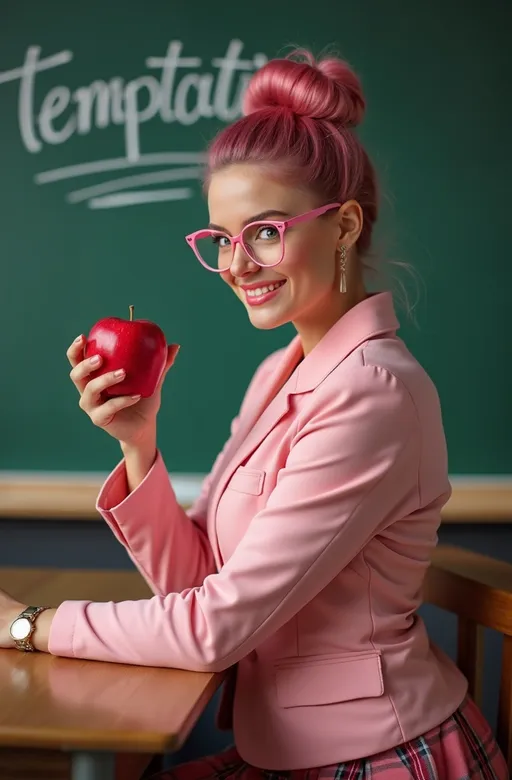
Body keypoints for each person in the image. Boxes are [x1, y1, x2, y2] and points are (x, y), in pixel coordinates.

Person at [0, 50, 507, 780]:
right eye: (221, 238)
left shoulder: (373, 394)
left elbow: (215, 630)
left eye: (265, 231)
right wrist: (139, 444)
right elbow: (198, 585)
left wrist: (29, 627)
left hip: (379, 759)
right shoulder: (282, 371)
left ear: (343, 227)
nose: (236, 265)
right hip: (284, 753)